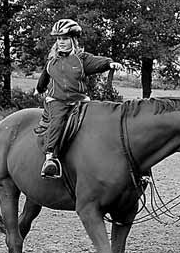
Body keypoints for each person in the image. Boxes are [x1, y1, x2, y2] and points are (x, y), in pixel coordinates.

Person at [34, 19, 123, 178]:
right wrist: (39, 89)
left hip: (80, 100)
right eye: (59, 39)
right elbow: (44, 78)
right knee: (58, 120)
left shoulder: (81, 59)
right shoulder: (52, 61)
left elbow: (97, 62)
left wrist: (110, 64)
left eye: (65, 39)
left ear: (73, 40)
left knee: (98, 117)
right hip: (57, 101)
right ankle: (50, 158)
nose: (61, 42)